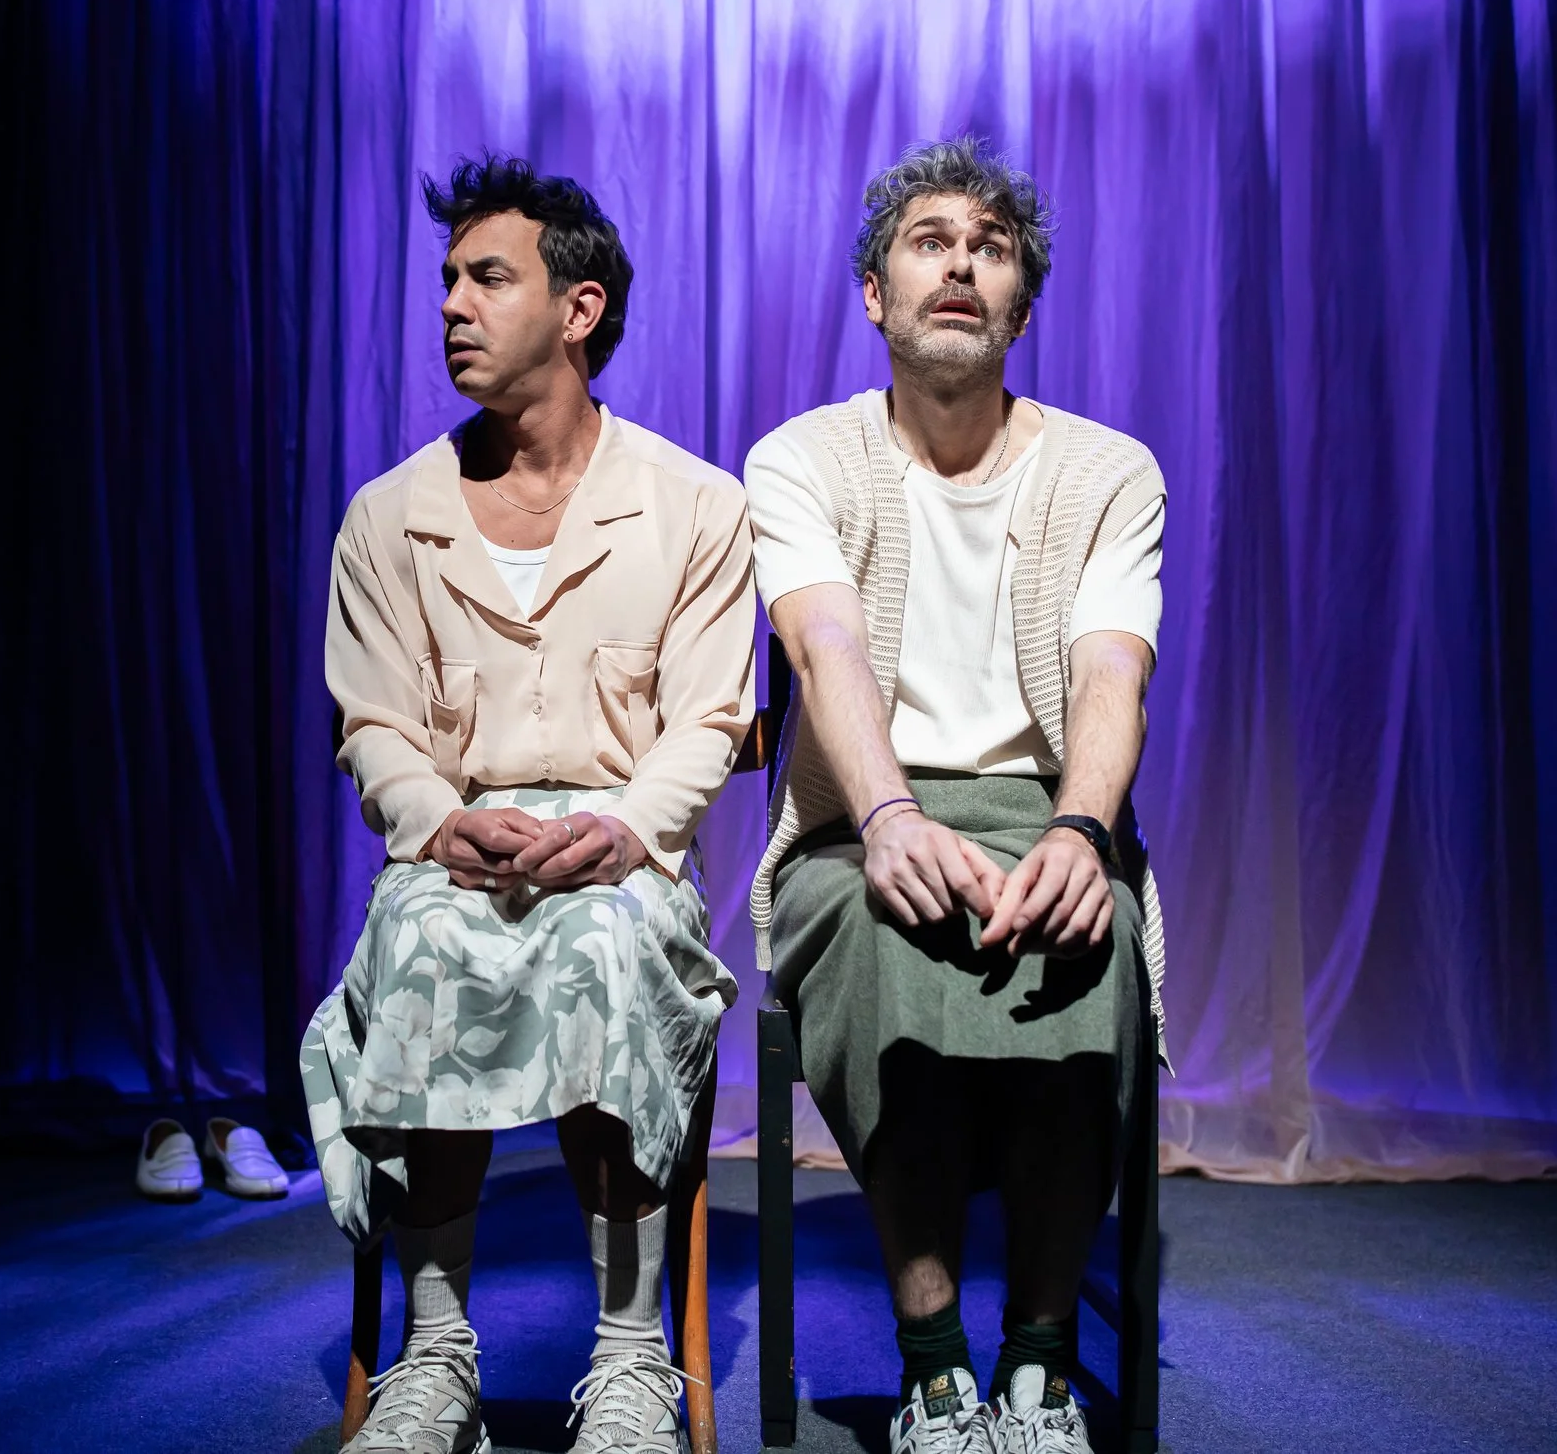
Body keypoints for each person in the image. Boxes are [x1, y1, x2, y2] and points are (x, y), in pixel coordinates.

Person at [301, 155, 752, 1454]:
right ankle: (434, 1355)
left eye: (485, 276)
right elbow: (372, 721)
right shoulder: (390, 517)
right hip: (458, 849)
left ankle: (629, 1358)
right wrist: (442, 820)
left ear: (580, 306)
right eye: (446, 278)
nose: (451, 302)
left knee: (612, 948)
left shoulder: (694, 506)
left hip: (620, 857)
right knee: (433, 940)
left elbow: (712, 717)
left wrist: (621, 828)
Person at [744, 136, 1169, 1454]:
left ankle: (1038, 1365)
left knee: (1089, 939)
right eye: (933, 239)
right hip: (853, 820)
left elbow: (1112, 674)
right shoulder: (802, 458)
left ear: (1020, 306)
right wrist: (888, 820)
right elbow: (826, 653)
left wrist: (1079, 835)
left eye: (991, 247)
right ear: (875, 293)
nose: (963, 264)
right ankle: (934, 1370)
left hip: (1048, 807)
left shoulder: (1109, 469)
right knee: (889, 937)